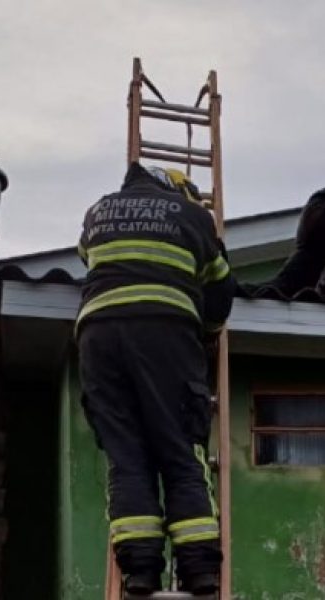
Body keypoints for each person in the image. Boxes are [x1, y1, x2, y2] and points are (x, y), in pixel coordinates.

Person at [75, 163, 237, 596]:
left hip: (97, 338)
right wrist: (205, 333)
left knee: (126, 456)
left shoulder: (98, 211)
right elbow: (221, 291)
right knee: (181, 450)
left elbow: (88, 257)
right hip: (165, 333)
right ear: (180, 190)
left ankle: (140, 572)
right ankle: (199, 571)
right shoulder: (194, 216)